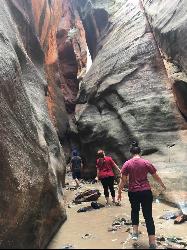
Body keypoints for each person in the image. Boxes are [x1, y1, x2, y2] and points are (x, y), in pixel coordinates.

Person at [118, 141, 166, 249]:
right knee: (148, 216)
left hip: (133, 192)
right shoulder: (146, 162)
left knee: (134, 211)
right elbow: (155, 176)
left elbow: (123, 180)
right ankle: (152, 243)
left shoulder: (127, 164)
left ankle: (135, 232)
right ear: (140, 152)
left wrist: (119, 192)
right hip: (146, 192)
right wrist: (162, 184)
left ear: (131, 152)